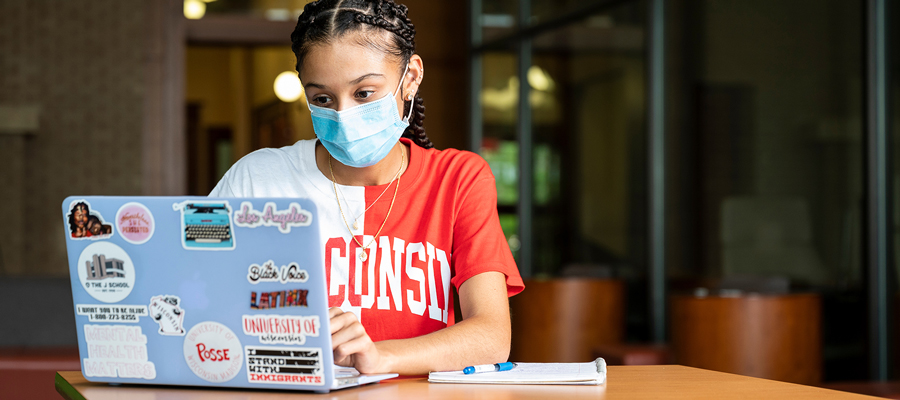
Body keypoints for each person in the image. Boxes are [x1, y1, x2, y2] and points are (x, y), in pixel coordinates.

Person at [210, 0, 523, 375]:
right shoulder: (257, 180)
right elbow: (200, 300)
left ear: (410, 78)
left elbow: (491, 337)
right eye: (322, 99)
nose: (343, 116)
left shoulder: (457, 179)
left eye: (364, 93)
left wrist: (380, 357)